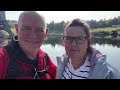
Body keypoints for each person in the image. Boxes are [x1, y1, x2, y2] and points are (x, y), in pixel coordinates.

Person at [0, 11, 56, 79]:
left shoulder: (45, 58)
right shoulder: (3, 58)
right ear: (17, 29)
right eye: (26, 29)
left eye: (39, 30)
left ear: (46, 33)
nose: (33, 36)